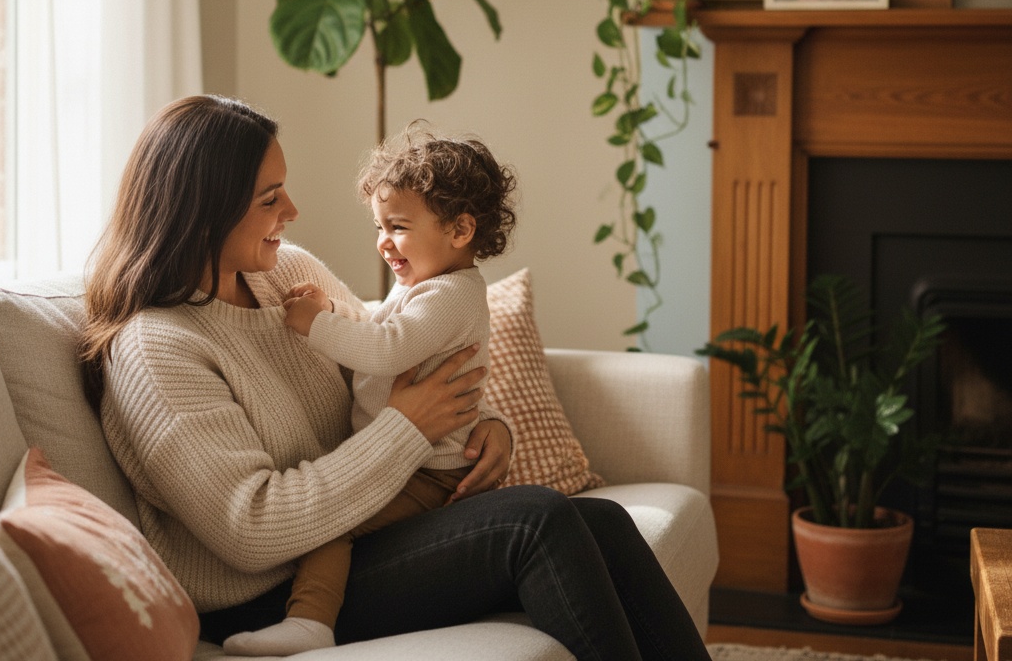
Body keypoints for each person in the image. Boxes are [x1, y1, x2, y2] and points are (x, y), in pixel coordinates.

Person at [79, 94, 713, 661]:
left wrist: (481, 424)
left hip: (351, 533)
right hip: (273, 590)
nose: (293, 210)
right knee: (535, 522)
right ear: (204, 213)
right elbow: (252, 528)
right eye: (270, 198)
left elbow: (393, 357)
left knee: (600, 521)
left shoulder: (282, 274)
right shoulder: (156, 348)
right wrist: (410, 428)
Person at [224, 128, 518, 656]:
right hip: (410, 458)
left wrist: (314, 324)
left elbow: (384, 349)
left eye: (399, 227)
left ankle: (311, 621)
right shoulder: (423, 285)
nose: (383, 242)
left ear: (460, 229)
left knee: (331, 528)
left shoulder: (451, 295)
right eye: (380, 227)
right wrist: (335, 313)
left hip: (427, 468)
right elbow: (376, 326)